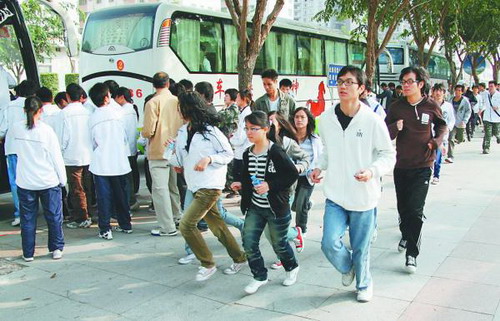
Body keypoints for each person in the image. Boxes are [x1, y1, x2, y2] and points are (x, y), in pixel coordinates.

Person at [309, 66, 395, 302]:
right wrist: (319, 167)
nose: (343, 86)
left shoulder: (372, 121)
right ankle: (350, 268)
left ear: (362, 88)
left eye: (349, 82)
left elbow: (388, 154)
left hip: (363, 195)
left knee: (361, 247)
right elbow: (328, 151)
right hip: (335, 194)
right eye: (340, 81)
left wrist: (372, 171)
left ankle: (364, 284)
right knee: (329, 243)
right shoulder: (325, 119)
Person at [172, 91, 246, 281]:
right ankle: (239, 257)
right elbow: (180, 160)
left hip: (210, 185)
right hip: (194, 184)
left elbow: (228, 153)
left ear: (190, 107)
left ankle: (207, 263)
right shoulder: (183, 131)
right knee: (218, 226)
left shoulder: (210, 131)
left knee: (186, 225)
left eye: (181, 106)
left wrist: (209, 159)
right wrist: (172, 153)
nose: (178, 110)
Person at [385, 66, 447, 274]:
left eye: (409, 81)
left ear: (420, 84)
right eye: (403, 81)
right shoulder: (396, 107)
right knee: (403, 209)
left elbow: (442, 126)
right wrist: (396, 128)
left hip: (423, 166)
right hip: (402, 166)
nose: (405, 85)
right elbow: (384, 132)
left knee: (415, 210)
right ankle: (405, 233)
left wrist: (436, 141)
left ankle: (412, 253)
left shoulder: (431, 105)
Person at [231, 111, 300, 295]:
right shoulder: (247, 153)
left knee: (279, 244)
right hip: (255, 206)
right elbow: (249, 178)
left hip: (276, 207)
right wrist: (242, 185)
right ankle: (259, 276)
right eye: (246, 129)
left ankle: (292, 267)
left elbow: (292, 174)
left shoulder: (275, 151)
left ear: (266, 129)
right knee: (249, 242)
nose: (249, 133)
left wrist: (270, 185)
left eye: (254, 129)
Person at [10, 96, 66, 261]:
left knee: (27, 219)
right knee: (54, 216)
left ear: (24, 111)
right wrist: (63, 180)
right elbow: (56, 157)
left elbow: (12, 150)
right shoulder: (46, 130)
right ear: (41, 110)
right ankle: (56, 248)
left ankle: (28, 252)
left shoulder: (15, 129)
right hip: (47, 180)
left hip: (25, 180)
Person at [141, 72, 183, 236]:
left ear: (154, 85)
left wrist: (145, 134)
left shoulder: (152, 103)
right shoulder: (177, 101)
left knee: (160, 189)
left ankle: (167, 226)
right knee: (173, 187)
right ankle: (177, 217)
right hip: (175, 150)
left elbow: (148, 130)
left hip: (159, 150)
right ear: (167, 84)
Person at [88, 83, 132, 240]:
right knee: (121, 195)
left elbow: (92, 142)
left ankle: (105, 229)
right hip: (119, 161)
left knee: (103, 197)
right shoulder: (118, 114)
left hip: (101, 164)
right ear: (107, 98)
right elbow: (125, 137)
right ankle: (125, 224)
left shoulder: (92, 117)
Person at [0, 79, 38, 227]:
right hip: (31, 148)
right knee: (33, 178)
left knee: (16, 182)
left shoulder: (9, 106)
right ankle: (34, 211)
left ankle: (21, 214)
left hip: (13, 148)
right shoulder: (34, 105)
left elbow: (3, 129)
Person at [61, 83, 94, 229]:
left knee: (76, 188)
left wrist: (60, 152)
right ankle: (89, 213)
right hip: (89, 155)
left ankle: (81, 217)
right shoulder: (88, 112)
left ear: (67, 96)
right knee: (88, 187)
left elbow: (63, 137)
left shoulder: (64, 113)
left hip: (72, 156)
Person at [292, 107, 323, 235]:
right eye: (297, 117)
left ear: (308, 120)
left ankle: (301, 229)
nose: (299, 120)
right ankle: (307, 204)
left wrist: (315, 171)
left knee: (300, 205)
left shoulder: (314, 140)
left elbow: (320, 158)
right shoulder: (289, 138)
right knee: (293, 205)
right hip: (292, 176)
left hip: (307, 176)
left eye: (302, 117)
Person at [115, 87, 140, 210]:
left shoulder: (122, 111)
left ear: (121, 97)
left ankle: (131, 201)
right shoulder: (132, 109)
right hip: (133, 146)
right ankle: (132, 197)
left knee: (127, 177)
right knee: (132, 173)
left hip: (126, 148)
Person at [430, 83, 455, 185]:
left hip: (442, 135)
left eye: (440, 91)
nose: (438, 93)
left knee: (438, 155)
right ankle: (428, 173)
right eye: (436, 90)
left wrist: (448, 128)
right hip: (429, 133)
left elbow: (452, 119)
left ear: (444, 93)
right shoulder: (429, 104)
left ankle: (436, 175)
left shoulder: (448, 106)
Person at [445, 84, 471, 163]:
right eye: (456, 90)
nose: (457, 92)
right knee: (450, 139)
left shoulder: (465, 101)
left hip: (461, 123)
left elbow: (468, 111)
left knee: (460, 139)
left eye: (459, 90)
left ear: (462, 92)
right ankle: (450, 156)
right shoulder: (450, 100)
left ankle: (460, 139)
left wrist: (465, 121)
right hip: (452, 123)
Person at [480, 81, 500, 154]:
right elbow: (483, 103)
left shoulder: (499, 95)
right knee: (488, 133)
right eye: (489, 86)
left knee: (496, 133)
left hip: (496, 118)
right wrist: (480, 110)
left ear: (496, 87)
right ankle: (486, 148)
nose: (490, 88)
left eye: (492, 86)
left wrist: (498, 107)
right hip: (487, 117)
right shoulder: (486, 94)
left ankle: (498, 137)